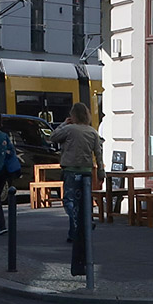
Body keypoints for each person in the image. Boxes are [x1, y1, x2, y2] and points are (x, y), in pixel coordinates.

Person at [50, 102, 104, 276]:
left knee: (69, 201)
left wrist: (64, 123)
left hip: (71, 170)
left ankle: (77, 228)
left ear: (73, 115)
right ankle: (81, 225)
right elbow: (99, 153)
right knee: (84, 202)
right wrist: (101, 172)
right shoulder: (92, 132)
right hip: (87, 171)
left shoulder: (70, 129)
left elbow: (52, 137)